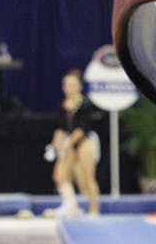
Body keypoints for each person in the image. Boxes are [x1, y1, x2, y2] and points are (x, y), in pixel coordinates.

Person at [45, 70, 100, 217]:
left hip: (84, 142)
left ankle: (94, 209)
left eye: (72, 84)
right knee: (59, 175)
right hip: (68, 142)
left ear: (79, 87)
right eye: (66, 84)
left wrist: (68, 143)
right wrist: (54, 145)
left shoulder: (85, 104)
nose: (69, 87)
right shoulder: (62, 106)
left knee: (87, 179)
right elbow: (60, 128)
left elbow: (82, 128)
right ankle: (71, 206)